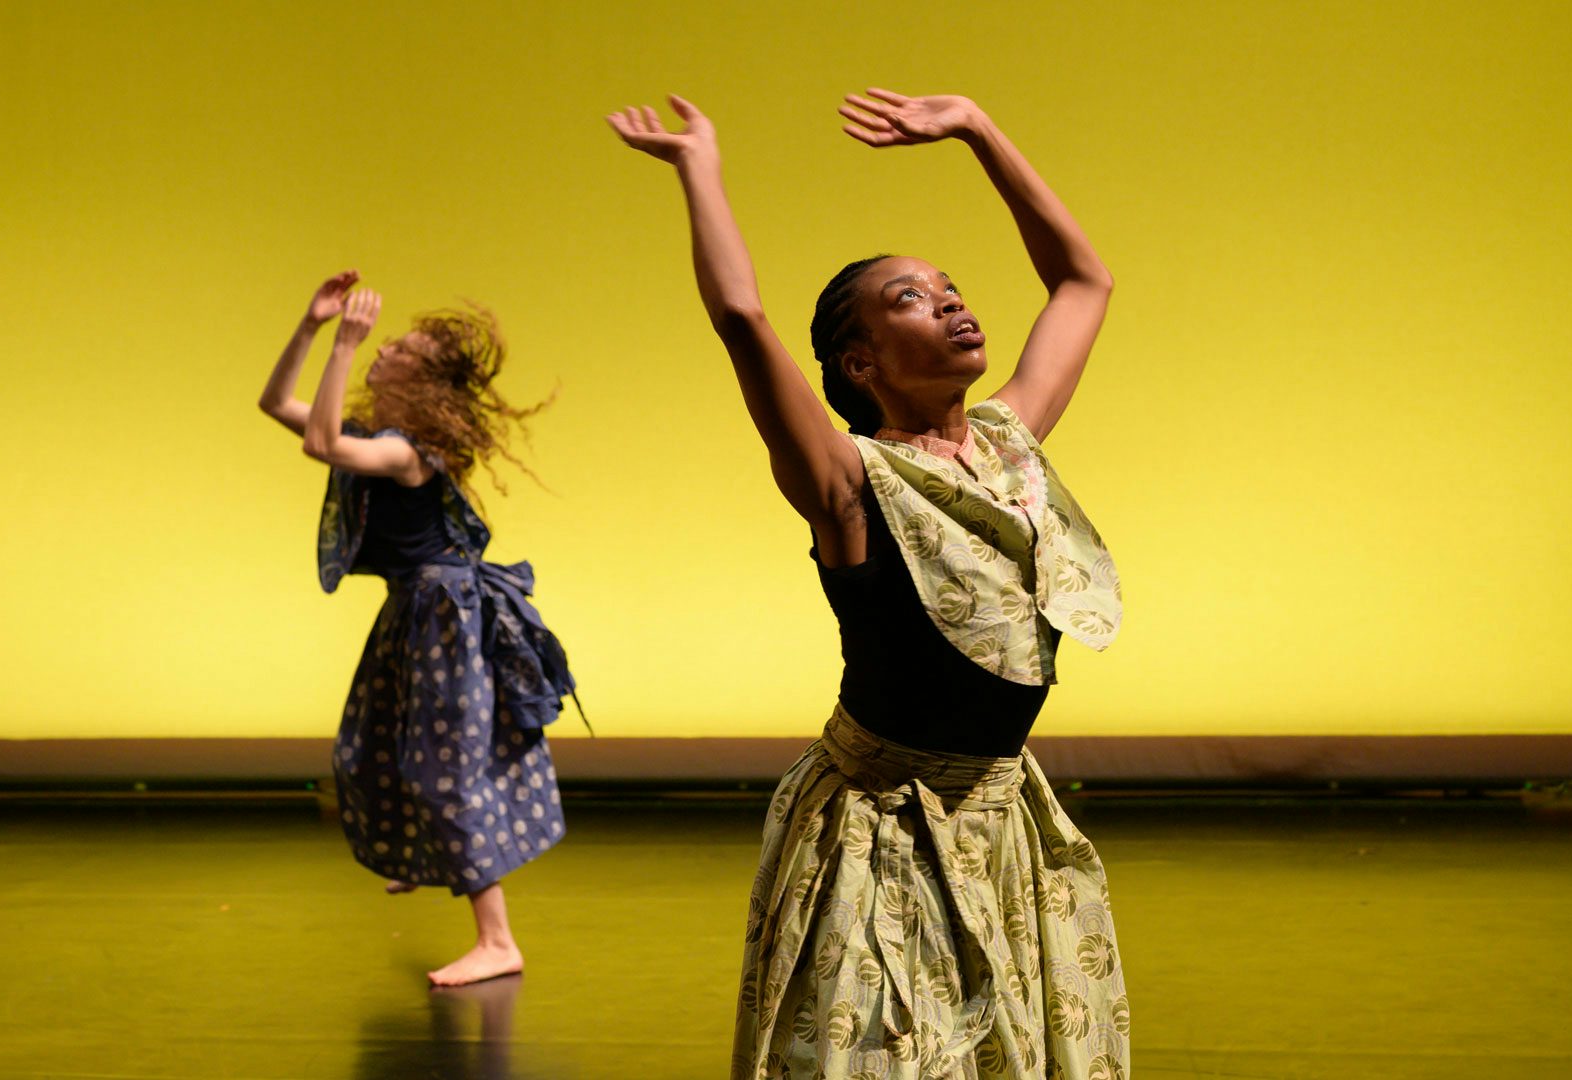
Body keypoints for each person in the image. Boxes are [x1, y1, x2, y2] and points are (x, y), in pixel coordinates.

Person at [609, 91, 1129, 1078]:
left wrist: (979, 127)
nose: (948, 302)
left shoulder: (1012, 442)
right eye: (909, 299)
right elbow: (738, 315)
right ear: (860, 361)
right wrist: (700, 168)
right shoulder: (849, 481)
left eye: (949, 286)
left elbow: (1082, 281)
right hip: (881, 825)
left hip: (1001, 818)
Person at [257, 270, 577, 987]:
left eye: (398, 346)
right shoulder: (384, 435)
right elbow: (277, 403)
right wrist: (310, 328)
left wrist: (343, 344)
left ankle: (498, 941)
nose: (384, 347)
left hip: (446, 618)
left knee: (444, 770)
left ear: (423, 379)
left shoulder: (408, 451)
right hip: (415, 611)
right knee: (377, 750)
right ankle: (428, 859)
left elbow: (322, 446)